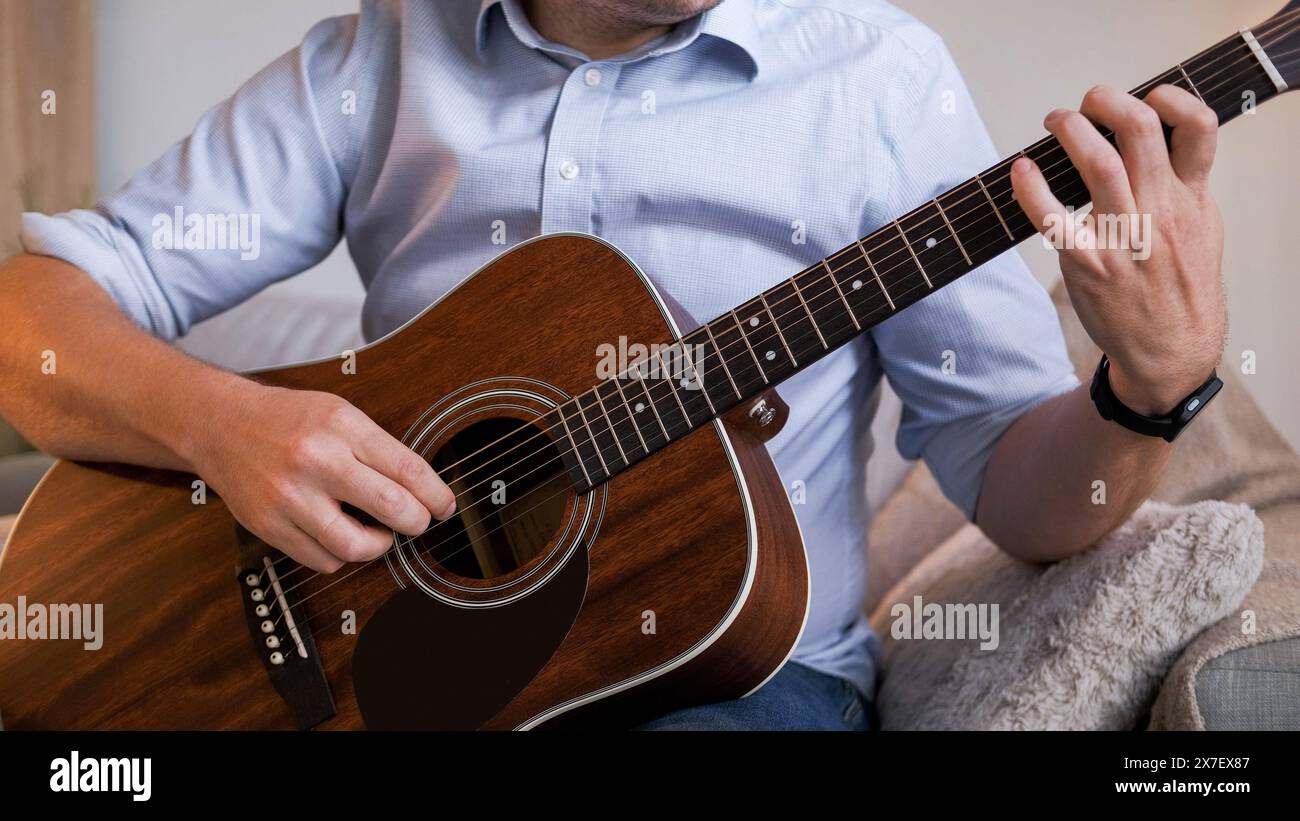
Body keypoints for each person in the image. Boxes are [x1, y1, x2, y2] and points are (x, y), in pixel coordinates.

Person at [0, 0, 1226, 730]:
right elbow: (32, 320)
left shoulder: (874, 78)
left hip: (733, 690)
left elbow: (1021, 491)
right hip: (380, 672)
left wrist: (1149, 390)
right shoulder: (381, 58)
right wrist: (226, 425)